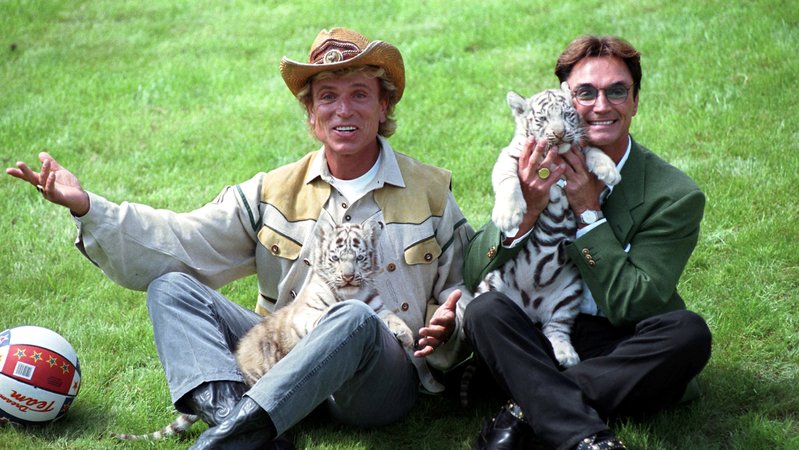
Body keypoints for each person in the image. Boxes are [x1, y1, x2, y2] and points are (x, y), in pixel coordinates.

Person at [7, 27, 474, 449]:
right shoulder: (271, 191)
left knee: (351, 317)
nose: (343, 110)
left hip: (375, 383)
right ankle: (240, 424)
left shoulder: (430, 191)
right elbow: (181, 240)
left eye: (360, 94)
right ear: (311, 113)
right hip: (280, 359)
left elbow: (464, 290)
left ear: (384, 104)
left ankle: (231, 438)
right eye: (327, 97)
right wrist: (88, 205)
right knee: (172, 288)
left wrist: (448, 324)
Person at [461, 35, 712, 450]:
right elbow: (474, 271)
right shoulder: (527, 162)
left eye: (617, 91)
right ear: (564, 100)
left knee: (688, 333)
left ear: (634, 101)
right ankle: (583, 429)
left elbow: (637, 302)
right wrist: (527, 210)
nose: (600, 106)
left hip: (615, 338)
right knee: (486, 310)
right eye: (585, 93)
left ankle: (527, 406)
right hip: (537, 328)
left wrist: (588, 212)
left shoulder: (674, 195)